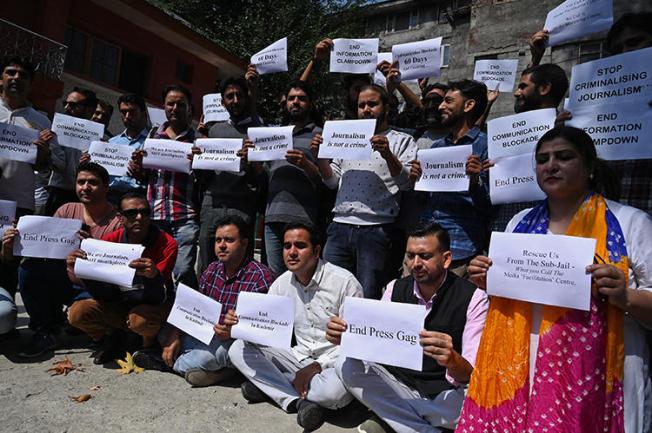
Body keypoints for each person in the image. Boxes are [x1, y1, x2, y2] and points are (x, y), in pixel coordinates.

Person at [457, 127, 652, 433]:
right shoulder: (519, 223)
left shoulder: (631, 223)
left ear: (589, 167)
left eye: (564, 157)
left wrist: (625, 297)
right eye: (543, 159)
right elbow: (508, 298)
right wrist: (487, 281)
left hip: (600, 371)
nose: (551, 165)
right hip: (524, 368)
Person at [326, 223, 488, 433]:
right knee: (345, 364)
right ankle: (419, 427)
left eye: (425, 256)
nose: (416, 264)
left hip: (443, 392)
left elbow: (472, 375)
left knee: (472, 407)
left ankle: (390, 417)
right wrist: (347, 335)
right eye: (410, 256)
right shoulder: (395, 289)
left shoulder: (474, 298)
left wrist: (452, 359)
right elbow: (374, 344)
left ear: (446, 259)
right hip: (399, 382)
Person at [229, 223, 363, 431]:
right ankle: (296, 401)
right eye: (286, 246)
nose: (291, 252)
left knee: (333, 394)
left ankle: (270, 387)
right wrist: (240, 323)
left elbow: (357, 343)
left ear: (317, 251)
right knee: (237, 348)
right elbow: (265, 330)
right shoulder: (281, 284)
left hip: (332, 364)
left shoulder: (345, 283)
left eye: (300, 246)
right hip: (297, 357)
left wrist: (317, 366)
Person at [137, 215, 273, 387]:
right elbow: (195, 310)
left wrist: (234, 331)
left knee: (216, 355)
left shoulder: (261, 277)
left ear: (245, 243)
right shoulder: (212, 269)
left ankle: (169, 363)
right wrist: (175, 335)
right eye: (218, 240)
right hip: (205, 333)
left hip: (232, 342)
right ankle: (218, 371)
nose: (222, 245)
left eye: (229, 240)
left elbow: (262, 331)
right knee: (165, 332)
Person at [312, 84, 417, 299]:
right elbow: (332, 181)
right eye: (361, 105)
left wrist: (388, 154)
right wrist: (320, 156)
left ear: (386, 107)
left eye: (372, 104)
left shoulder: (402, 140)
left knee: (367, 295)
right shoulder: (348, 136)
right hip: (340, 226)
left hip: (376, 230)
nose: (366, 109)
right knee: (331, 293)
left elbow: (407, 184)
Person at [9, 162, 122, 357]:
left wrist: (93, 249)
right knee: (30, 268)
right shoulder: (67, 209)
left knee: (81, 314)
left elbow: (117, 269)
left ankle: (105, 334)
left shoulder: (117, 221)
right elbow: (46, 247)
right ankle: (46, 330)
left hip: (96, 288)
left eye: (92, 182)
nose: (85, 187)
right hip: (65, 279)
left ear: (106, 186)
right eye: (81, 182)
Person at [65, 192, 177, 364]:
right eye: (132, 213)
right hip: (119, 302)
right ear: (121, 217)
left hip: (152, 304)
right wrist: (82, 269)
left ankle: (147, 346)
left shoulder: (167, 243)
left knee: (139, 320)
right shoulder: (110, 241)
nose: (139, 217)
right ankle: (110, 337)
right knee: (77, 313)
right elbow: (101, 292)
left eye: (145, 212)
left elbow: (158, 295)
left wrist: (153, 275)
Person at [410, 79, 490, 277]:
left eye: (448, 101)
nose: (440, 106)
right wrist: (417, 181)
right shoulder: (437, 148)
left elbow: (489, 207)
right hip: (425, 245)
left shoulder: (485, 147)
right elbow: (423, 201)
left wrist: (474, 181)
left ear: (468, 105)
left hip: (460, 250)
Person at [0, 56, 54, 328]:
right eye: (10, 72)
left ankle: (5, 323)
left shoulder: (40, 121)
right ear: (1, 78)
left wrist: (42, 153)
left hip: (18, 201)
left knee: (8, 261)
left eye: (23, 75)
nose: (16, 78)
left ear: (30, 84)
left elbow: (44, 168)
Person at [130, 84, 199, 288]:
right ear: (164, 106)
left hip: (184, 215)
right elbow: (143, 176)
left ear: (189, 108)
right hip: (156, 215)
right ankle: (161, 309)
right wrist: (138, 165)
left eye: (181, 104)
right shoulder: (152, 137)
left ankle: (184, 316)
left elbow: (205, 179)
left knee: (183, 270)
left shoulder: (198, 141)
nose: (175, 108)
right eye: (171, 103)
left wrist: (199, 163)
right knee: (158, 269)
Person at [197, 73, 265, 273]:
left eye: (239, 95)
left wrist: (251, 163)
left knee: (240, 265)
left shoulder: (258, 130)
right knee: (207, 262)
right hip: (212, 204)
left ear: (246, 98)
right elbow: (204, 176)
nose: (235, 100)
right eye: (230, 96)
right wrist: (197, 160)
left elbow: (263, 177)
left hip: (242, 206)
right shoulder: (214, 131)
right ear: (222, 101)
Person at [490, 63, 569, 231]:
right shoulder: (505, 133)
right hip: (506, 226)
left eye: (523, 87)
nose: (516, 93)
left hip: (552, 228)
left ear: (544, 88)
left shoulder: (569, 130)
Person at [263, 81, 324, 275]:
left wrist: (306, 164)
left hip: (303, 219)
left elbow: (328, 181)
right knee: (276, 279)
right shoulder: (274, 135)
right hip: (273, 218)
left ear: (310, 103)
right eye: (291, 98)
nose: (295, 102)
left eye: (301, 98)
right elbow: (262, 176)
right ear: (285, 103)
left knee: (303, 276)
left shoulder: (320, 135)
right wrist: (251, 158)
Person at [82, 94, 148, 204]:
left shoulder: (151, 143)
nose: (127, 116)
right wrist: (89, 163)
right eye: (123, 112)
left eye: (132, 112)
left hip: (137, 198)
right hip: (109, 197)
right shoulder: (111, 142)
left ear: (143, 114)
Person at [47, 87, 99, 215]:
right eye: (66, 103)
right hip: (58, 192)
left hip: (85, 196)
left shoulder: (98, 138)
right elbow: (58, 165)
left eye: (73, 105)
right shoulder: (57, 131)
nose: (66, 108)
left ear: (89, 110)